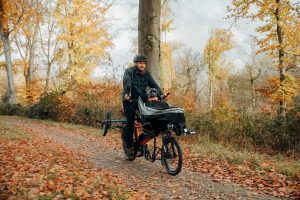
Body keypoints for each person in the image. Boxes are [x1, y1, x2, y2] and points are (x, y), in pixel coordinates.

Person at [122, 54, 163, 159]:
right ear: (135, 63)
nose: (142, 65)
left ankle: (142, 140)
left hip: (142, 99)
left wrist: (161, 94)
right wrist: (127, 92)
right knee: (130, 122)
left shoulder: (147, 74)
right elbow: (127, 82)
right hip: (130, 100)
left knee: (148, 120)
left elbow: (154, 85)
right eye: (140, 63)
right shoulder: (129, 71)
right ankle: (128, 147)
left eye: (144, 63)